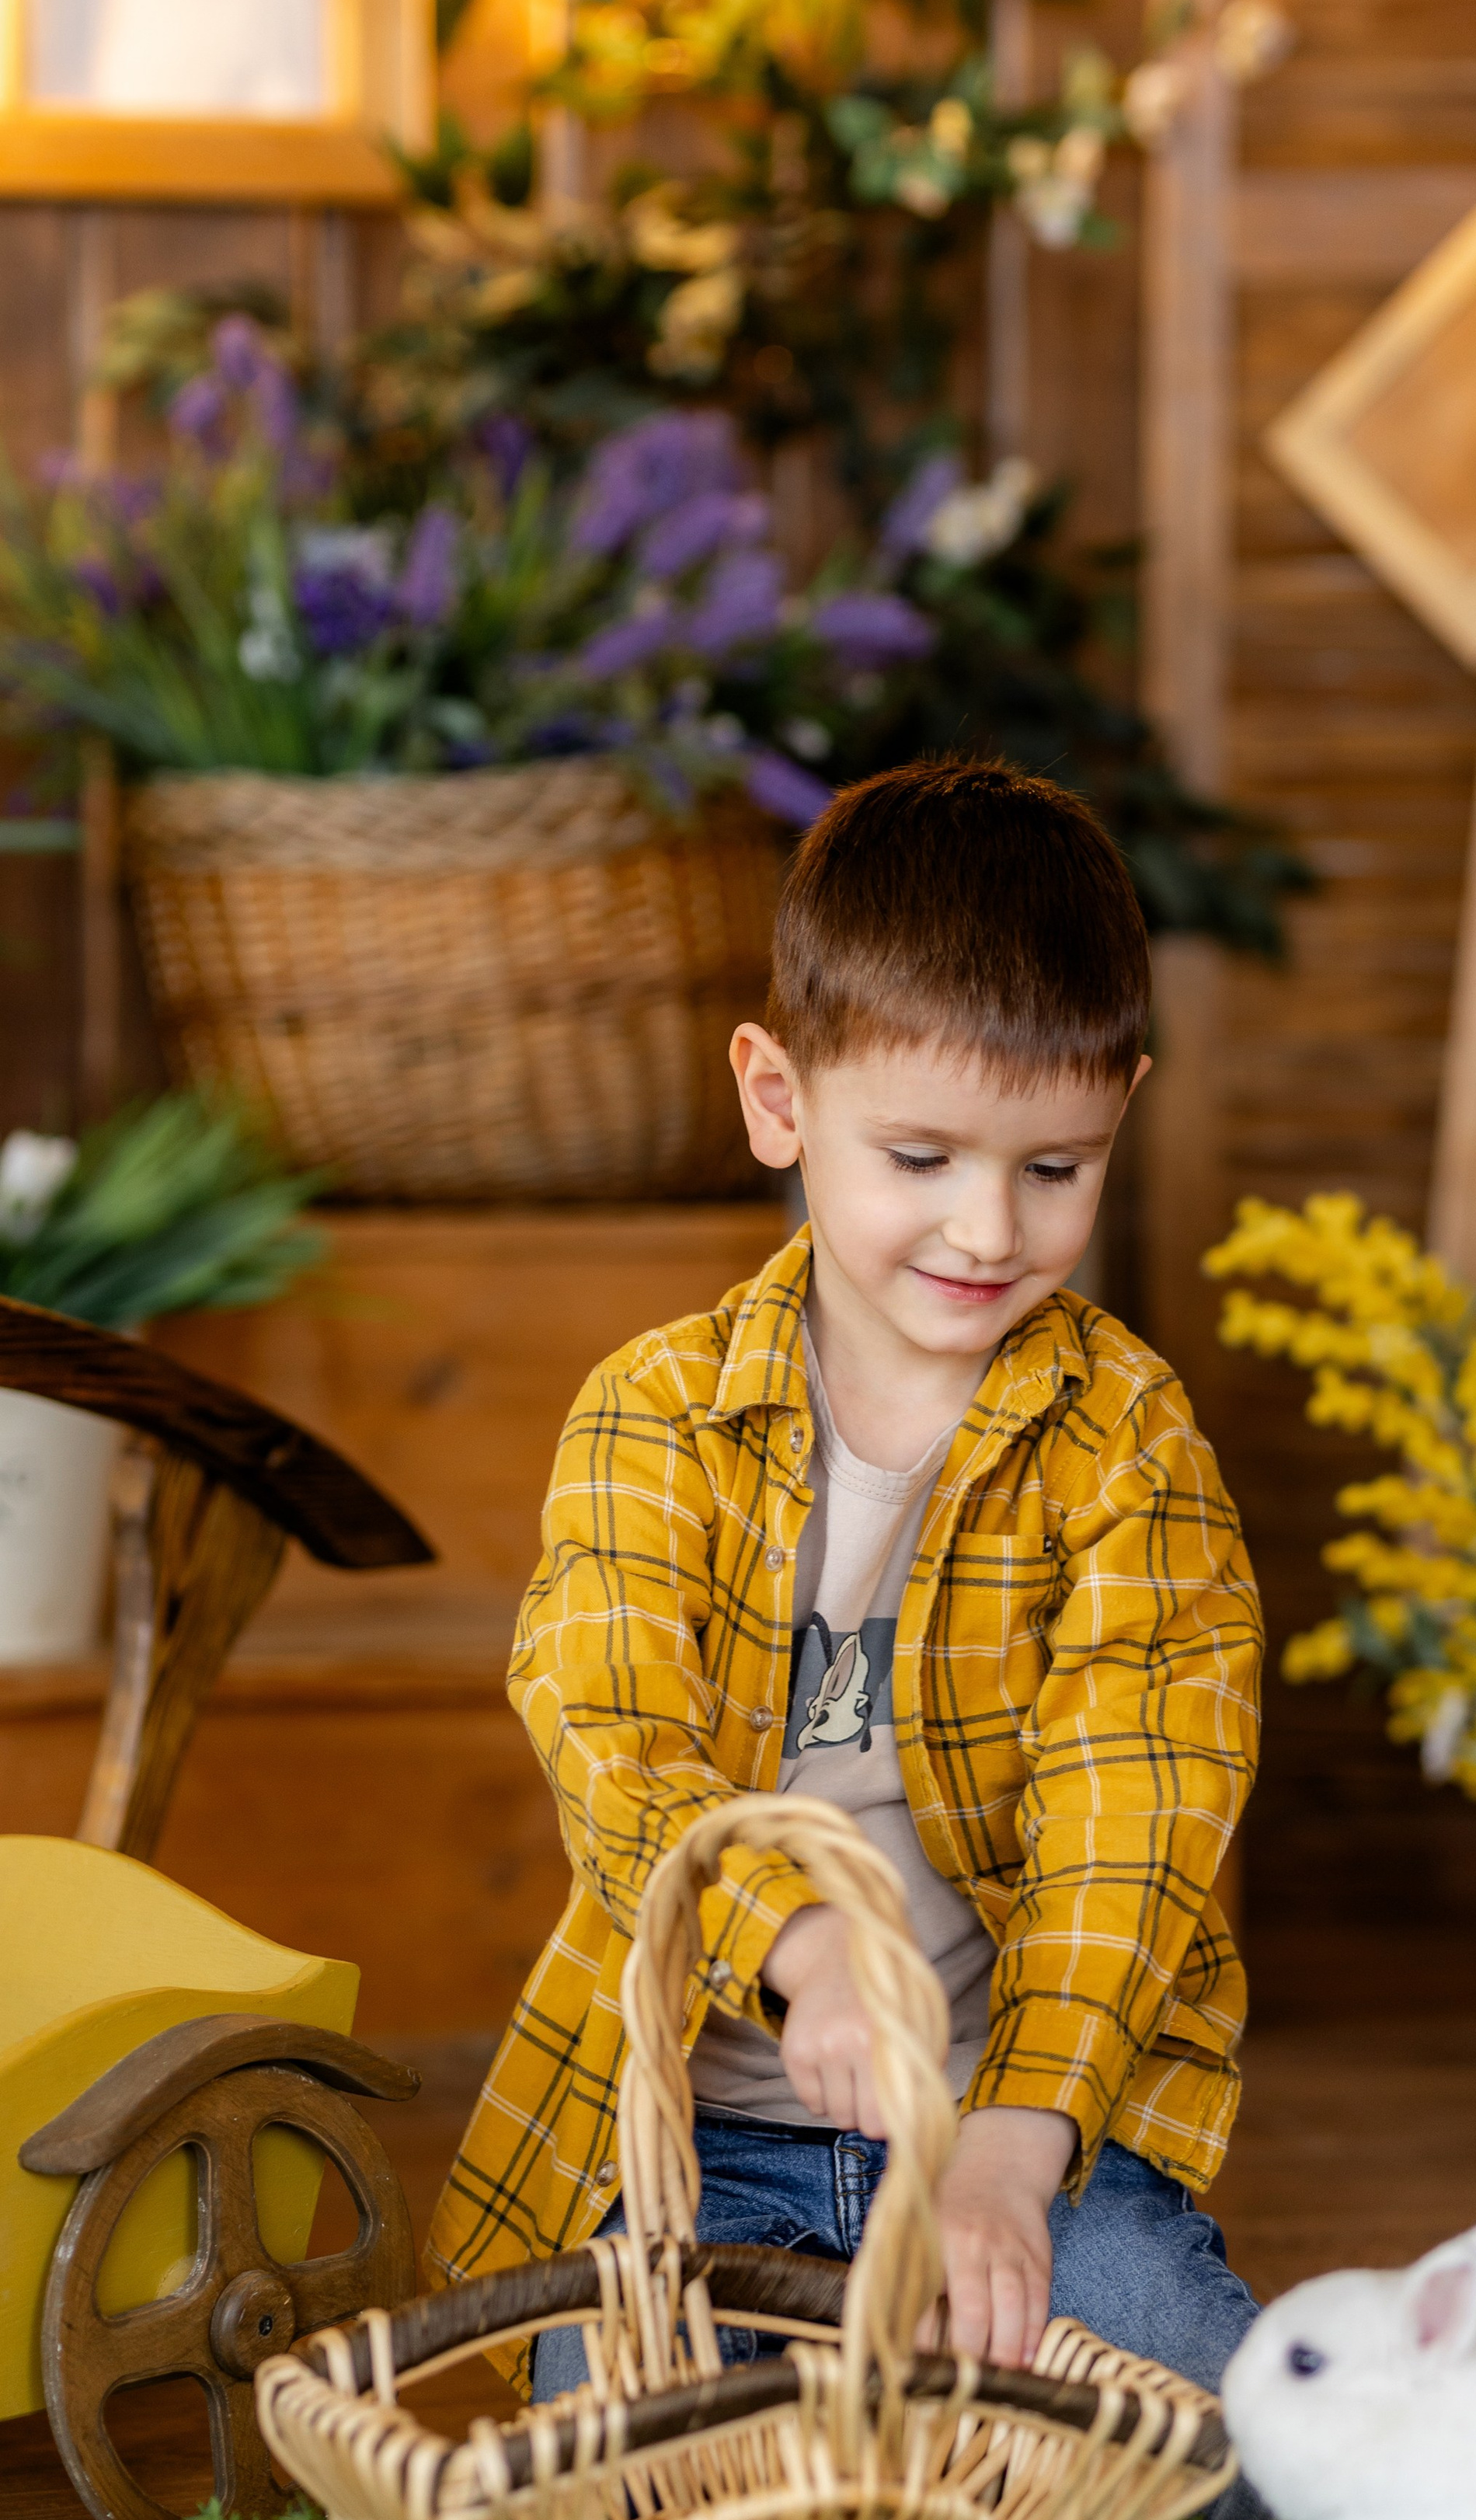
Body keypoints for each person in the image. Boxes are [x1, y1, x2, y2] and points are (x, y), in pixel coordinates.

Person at [427, 755, 1264, 2410]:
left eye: (1054, 1168)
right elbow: (611, 1748)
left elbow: (1137, 1824)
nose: (984, 1230)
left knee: (1189, 2412)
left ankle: (1424, 2394)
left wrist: (1010, 2159)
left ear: (1120, 1114)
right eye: (922, 1156)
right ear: (778, 1098)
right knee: (622, 2438)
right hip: (710, 2141)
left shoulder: (1127, 1441)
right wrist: (800, 1946)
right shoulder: (656, 1412)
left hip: (1014, 2126)